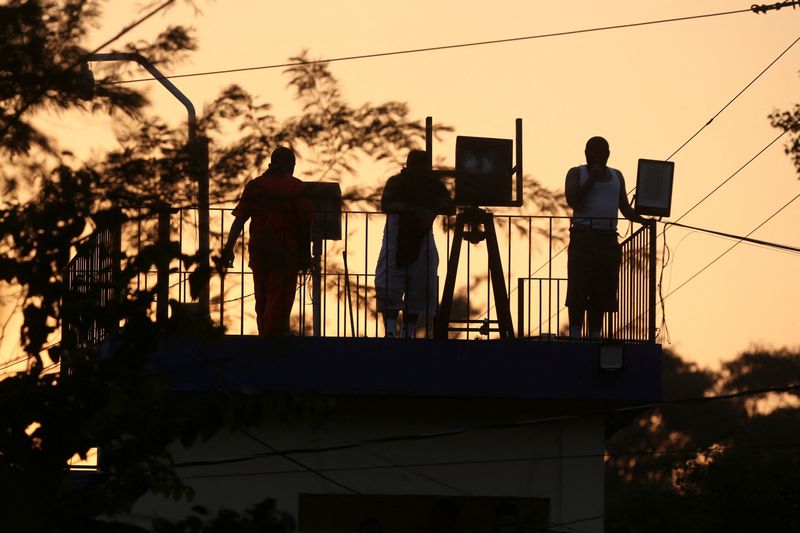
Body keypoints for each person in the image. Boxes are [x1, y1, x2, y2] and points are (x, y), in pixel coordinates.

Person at [564, 136, 651, 339]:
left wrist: (642, 221)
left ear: (608, 155)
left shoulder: (616, 176)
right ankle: (575, 334)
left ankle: (596, 334)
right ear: (585, 153)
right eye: (592, 152)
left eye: (600, 153)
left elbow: (625, 207)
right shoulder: (577, 173)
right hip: (583, 236)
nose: (596, 157)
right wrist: (592, 178)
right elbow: (572, 200)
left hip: (608, 239)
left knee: (603, 288)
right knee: (578, 286)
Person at [221, 147, 313, 336]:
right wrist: (306, 254)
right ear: (291, 165)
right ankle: (273, 341)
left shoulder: (256, 186)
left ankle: (264, 336)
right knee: (280, 301)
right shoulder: (296, 187)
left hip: (260, 252)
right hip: (286, 254)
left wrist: (228, 248)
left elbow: (239, 219)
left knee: (261, 300)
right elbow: (305, 225)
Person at [375, 149, 455, 338]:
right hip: (396, 239)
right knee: (389, 286)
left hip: (423, 239)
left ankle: (408, 332)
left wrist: (429, 210)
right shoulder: (397, 182)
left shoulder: (433, 185)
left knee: (419, 288)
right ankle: (390, 331)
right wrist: (414, 210)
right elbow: (386, 205)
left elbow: (450, 207)